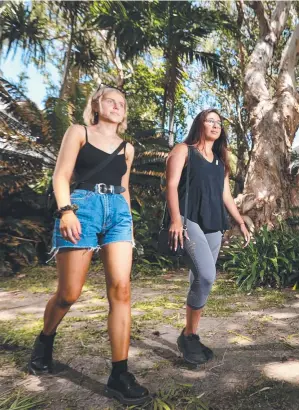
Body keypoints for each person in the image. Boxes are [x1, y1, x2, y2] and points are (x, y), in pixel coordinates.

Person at [28, 84, 150, 406]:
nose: (117, 105)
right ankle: (45, 340)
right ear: (96, 105)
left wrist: (129, 226)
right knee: (69, 293)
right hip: (82, 207)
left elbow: (124, 189)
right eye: (110, 100)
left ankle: (119, 374)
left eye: (122, 103)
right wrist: (66, 211)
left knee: (121, 291)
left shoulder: (128, 148)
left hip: (118, 215)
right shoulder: (78, 131)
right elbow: (61, 175)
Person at [166, 108, 250, 365]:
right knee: (206, 275)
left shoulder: (221, 161)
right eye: (210, 121)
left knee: (201, 280)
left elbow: (225, 196)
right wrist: (176, 220)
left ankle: (189, 336)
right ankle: (189, 335)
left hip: (214, 223)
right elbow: (170, 185)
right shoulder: (184, 150)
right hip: (189, 219)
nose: (215, 125)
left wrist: (240, 221)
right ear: (200, 124)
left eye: (219, 122)